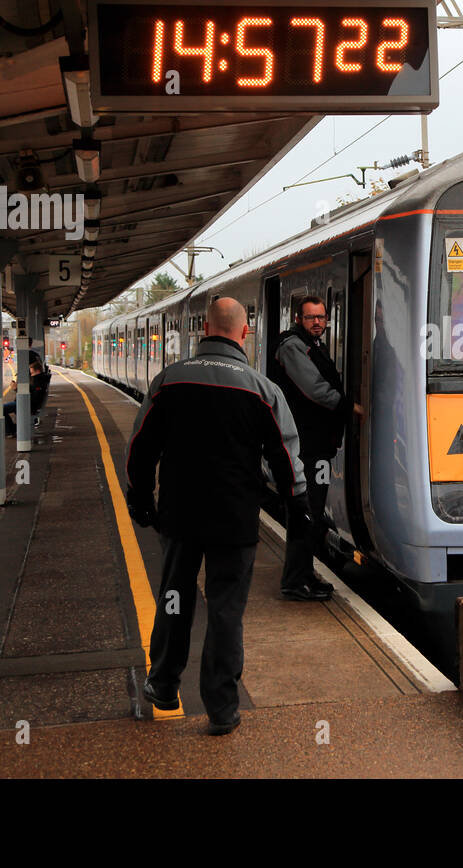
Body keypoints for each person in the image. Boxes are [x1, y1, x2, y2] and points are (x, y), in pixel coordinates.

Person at [125, 297, 310, 736]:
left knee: (174, 597)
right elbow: (285, 456)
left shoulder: (169, 381)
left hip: (180, 516)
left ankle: (165, 685)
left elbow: (140, 446)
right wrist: (296, 504)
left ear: (204, 328)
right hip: (235, 521)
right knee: (226, 613)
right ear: (244, 333)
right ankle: (222, 710)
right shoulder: (262, 390)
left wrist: (139, 496)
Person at [273, 295, 362, 601]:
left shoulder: (314, 345)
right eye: (311, 317)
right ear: (299, 318)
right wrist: (349, 406)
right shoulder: (293, 346)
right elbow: (314, 389)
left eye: (322, 318)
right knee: (306, 512)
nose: (317, 323)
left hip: (317, 445)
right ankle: (295, 581)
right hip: (305, 447)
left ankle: (305, 573)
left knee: (312, 513)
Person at [3, 360, 43, 438]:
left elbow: (32, 394)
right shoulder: (40, 379)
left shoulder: (38, 381)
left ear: (37, 371)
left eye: (32, 373)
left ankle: (11, 430)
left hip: (26, 404)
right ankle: (11, 429)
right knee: (3, 408)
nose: (31, 375)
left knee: (1, 409)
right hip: (26, 403)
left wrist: (16, 388)